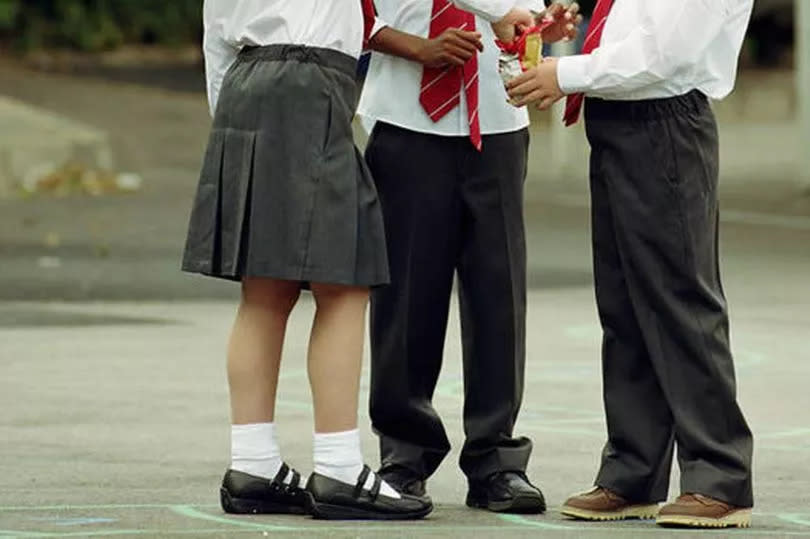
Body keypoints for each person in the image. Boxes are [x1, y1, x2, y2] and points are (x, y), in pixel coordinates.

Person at [181, 0, 437, 520]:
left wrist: (232, 120)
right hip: (310, 81)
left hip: (244, 83)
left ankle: (252, 463)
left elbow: (216, 36)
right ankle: (340, 467)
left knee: (265, 290)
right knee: (344, 281)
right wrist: (502, 12)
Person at [505, 0, 756, 528]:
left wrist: (565, 73)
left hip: (665, 121)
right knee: (623, 307)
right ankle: (633, 470)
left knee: (681, 301)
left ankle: (719, 474)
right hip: (618, 116)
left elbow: (663, 57)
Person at [359, 0, 581, 513]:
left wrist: (540, 21)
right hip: (405, 118)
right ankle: (404, 454)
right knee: (407, 295)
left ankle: (496, 460)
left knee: (498, 294)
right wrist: (424, 43)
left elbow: (521, 15)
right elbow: (356, 17)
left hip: (498, 119)